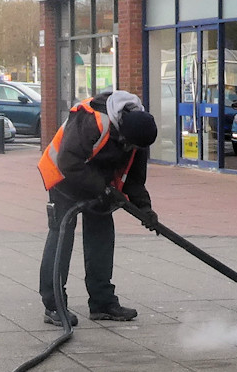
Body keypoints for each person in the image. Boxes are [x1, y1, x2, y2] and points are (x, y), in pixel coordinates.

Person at [38, 90, 159, 326]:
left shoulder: (138, 136)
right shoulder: (93, 121)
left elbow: (134, 180)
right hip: (63, 178)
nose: (128, 147)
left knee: (101, 238)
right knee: (61, 238)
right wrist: (101, 189)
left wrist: (145, 210)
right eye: (126, 143)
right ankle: (53, 306)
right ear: (121, 129)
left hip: (99, 184)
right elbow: (68, 162)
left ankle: (102, 303)